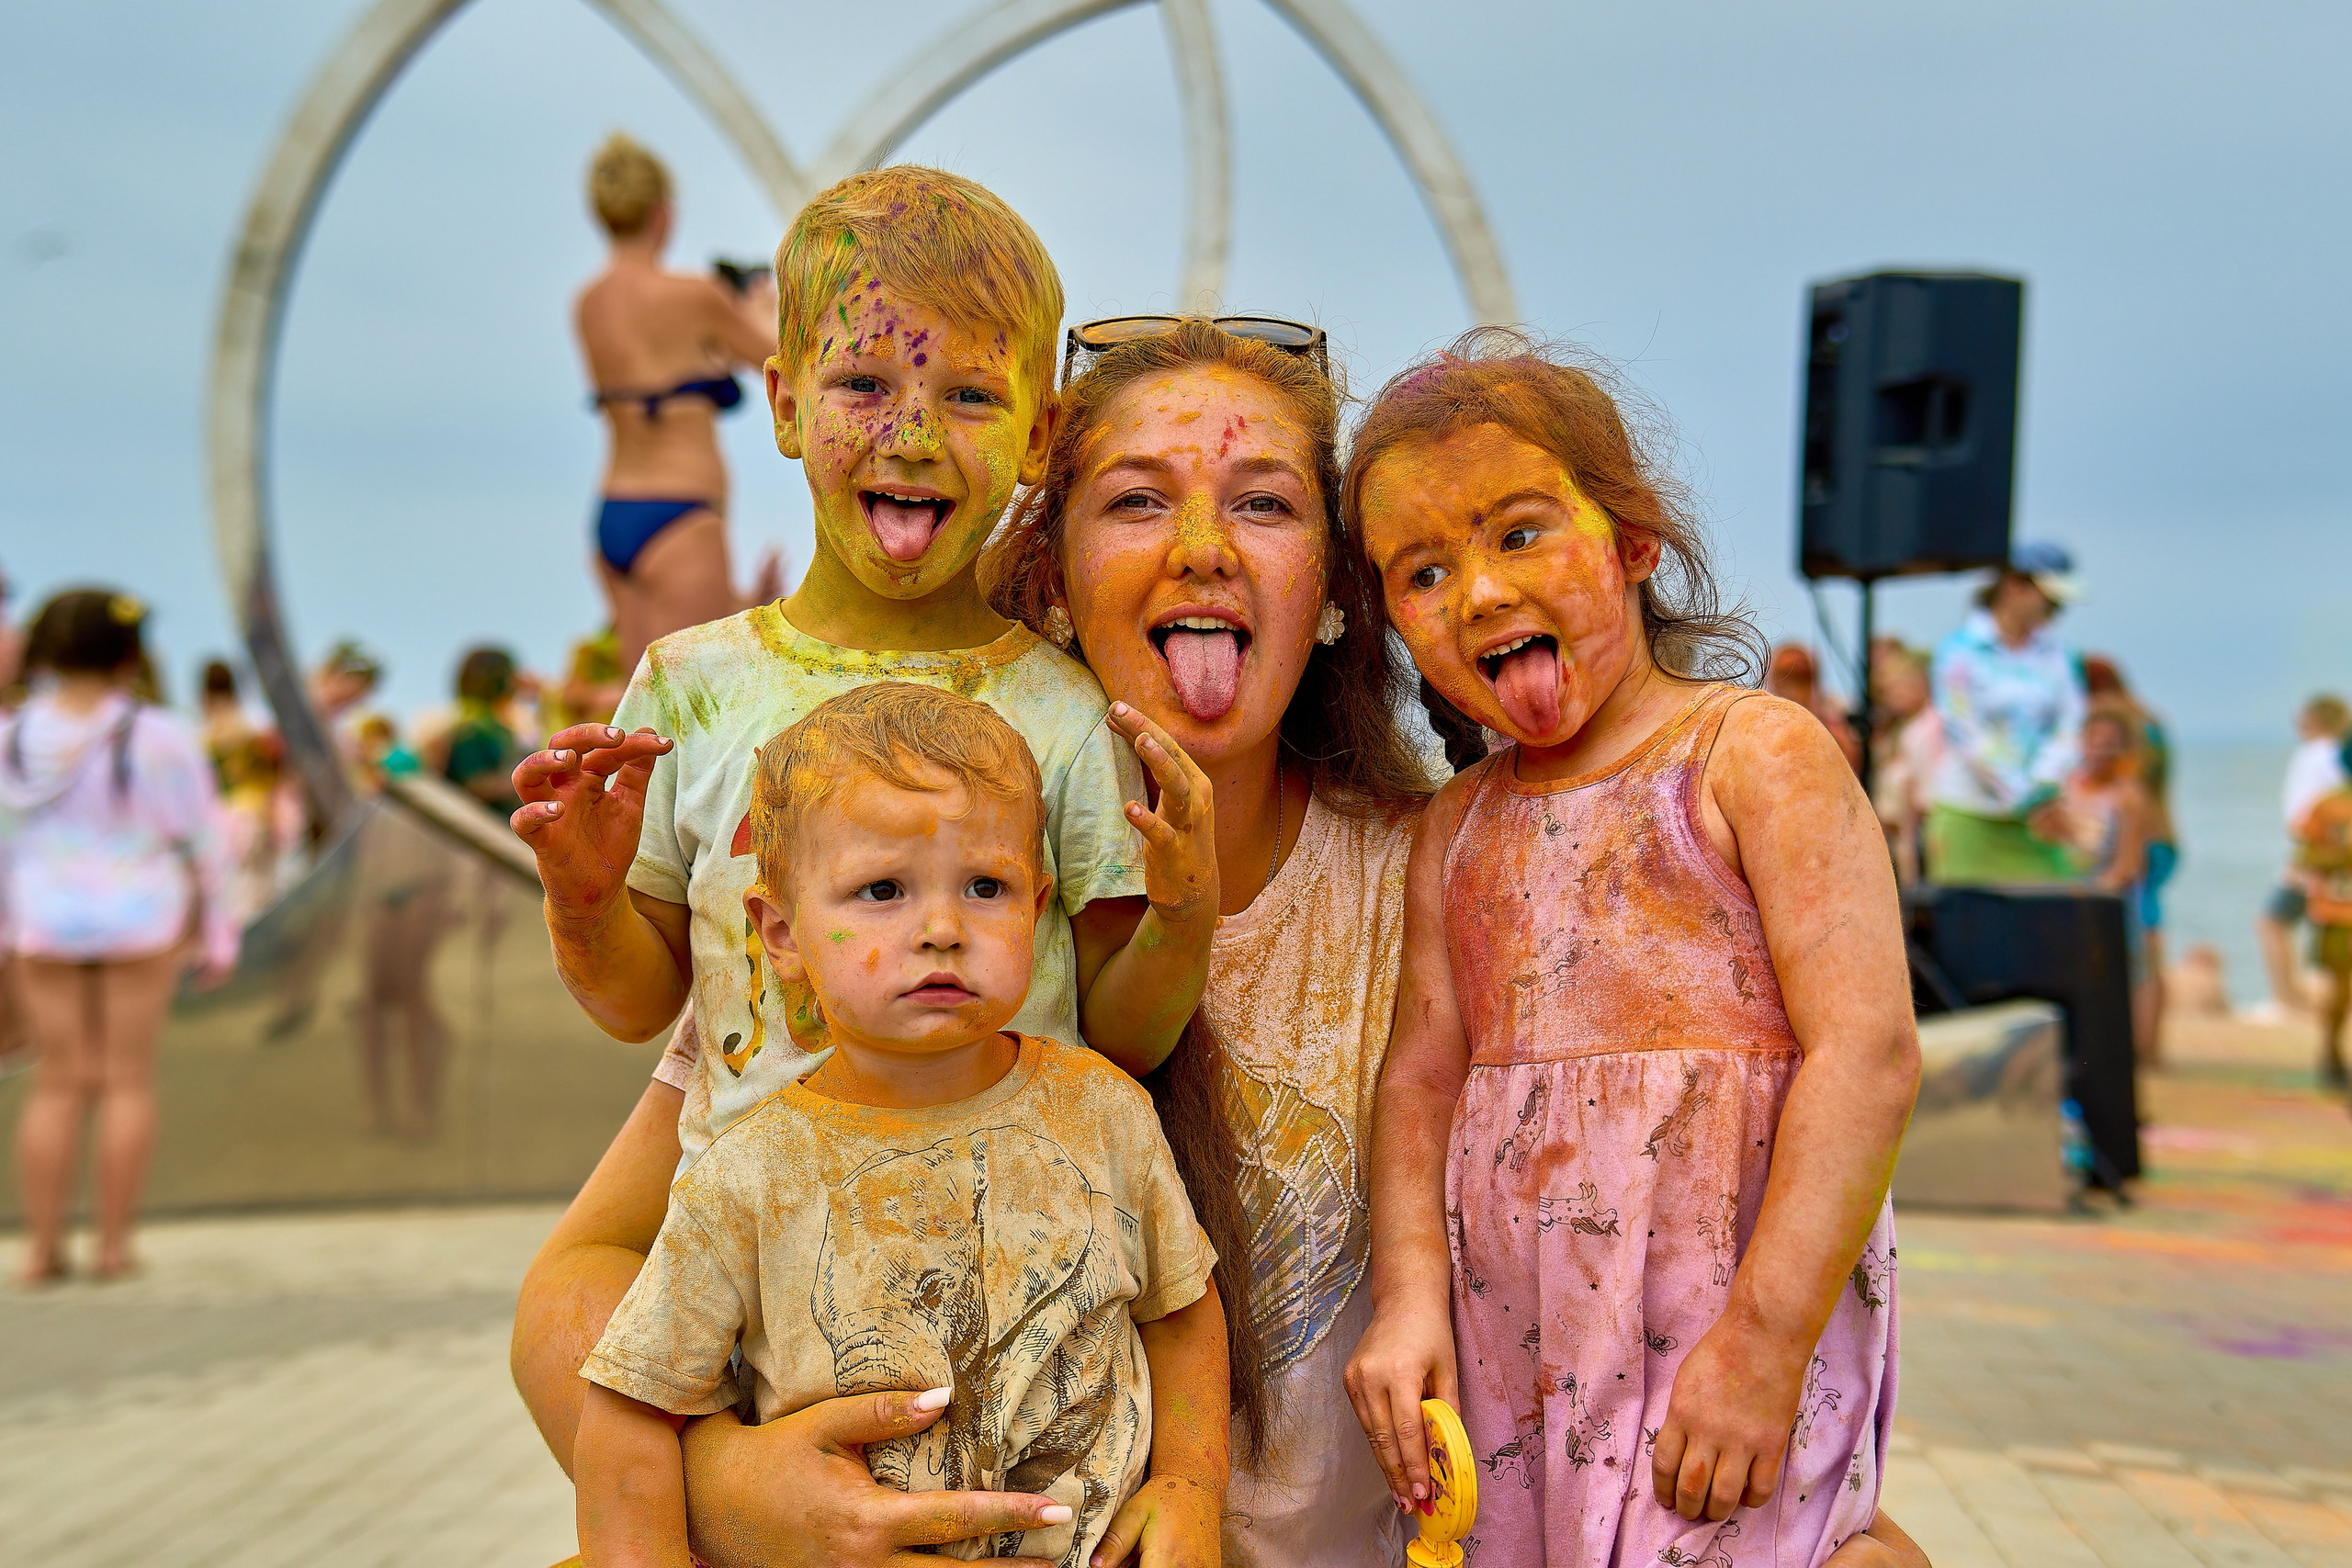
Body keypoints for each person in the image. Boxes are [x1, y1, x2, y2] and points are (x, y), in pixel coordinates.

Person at [514, 311, 1437, 1566]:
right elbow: (578, 1282)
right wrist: (731, 1491)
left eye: (1264, 505)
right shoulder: (900, 917)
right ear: (1049, 571)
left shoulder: (1428, 879)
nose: (1202, 549)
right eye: (1136, 500)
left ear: (1334, 586)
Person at [1341, 332, 1921, 1567]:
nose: (1479, 593)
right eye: (1423, 572)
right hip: (1520, 1361)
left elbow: (1866, 1053)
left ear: (1635, 540)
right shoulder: (1455, 827)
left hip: (1725, 1335)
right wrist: (1406, 1304)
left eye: (1519, 532)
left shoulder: (1753, 757)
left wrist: (1763, 1345)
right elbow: (1421, 1082)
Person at [575, 683, 1227, 1568]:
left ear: (1037, 910)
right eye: (883, 889)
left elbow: (1180, 1310)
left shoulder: (1105, 1111)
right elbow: (630, 1405)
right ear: (781, 932)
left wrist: (1192, 1483)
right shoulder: (751, 1175)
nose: (943, 928)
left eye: (986, 886)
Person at [2, 589, 238, 1282]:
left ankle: (42, 1250)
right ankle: (113, 1247)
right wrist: (217, 930)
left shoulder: (13, 736)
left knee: (57, 1083)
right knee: (125, 1080)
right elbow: (203, 838)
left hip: (44, 921)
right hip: (141, 917)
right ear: (128, 653)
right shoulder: (159, 734)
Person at [577, 132, 783, 672]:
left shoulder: (588, 305)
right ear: (663, 213)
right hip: (682, 512)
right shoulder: (693, 296)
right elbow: (783, 358)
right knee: (698, 698)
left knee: (640, 704)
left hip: (614, 508)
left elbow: (654, 370)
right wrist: (760, 308)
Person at [1924, 542, 2086, 886]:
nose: (2057, 609)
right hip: (1970, 814)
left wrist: (2043, 786)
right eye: (2050, 598)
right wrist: (2026, 799)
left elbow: (2071, 723)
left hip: (2042, 818)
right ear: (2014, 585)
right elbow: (1964, 732)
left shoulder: (2060, 655)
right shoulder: (1958, 650)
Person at [2257, 694, 2349, 1025]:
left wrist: (2303, 861)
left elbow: (2303, 815)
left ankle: (2287, 1000)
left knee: (2273, 922)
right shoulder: (2338, 753)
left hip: (2313, 856)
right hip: (2336, 859)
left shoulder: (2313, 756)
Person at [2294, 774, 2352, 1095]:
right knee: (2340, 989)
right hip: (2338, 915)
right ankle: (2332, 1054)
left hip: (2336, 912)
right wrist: (2342, 854)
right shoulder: (2330, 806)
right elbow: (2305, 858)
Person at [1867, 639, 1942, 886]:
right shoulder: (1907, 728)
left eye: (1899, 687)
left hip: (1922, 827)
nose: (1893, 697)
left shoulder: (1927, 729)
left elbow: (1923, 788)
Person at [1764, 641, 1862, 773]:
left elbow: (1851, 764)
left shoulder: (1837, 715)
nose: (1796, 689)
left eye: (1803, 677)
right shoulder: (1762, 721)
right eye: (1788, 677)